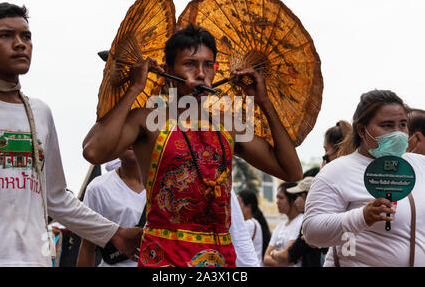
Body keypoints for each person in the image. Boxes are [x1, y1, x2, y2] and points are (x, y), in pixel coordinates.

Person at [83, 24, 303, 266]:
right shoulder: (148, 121)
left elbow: (291, 171)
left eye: (208, 65)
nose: (201, 73)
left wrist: (264, 101)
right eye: (190, 64)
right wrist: (136, 88)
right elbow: (93, 151)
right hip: (164, 259)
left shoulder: (227, 126)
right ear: (168, 70)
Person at [0, 2, 142, 266]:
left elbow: (55, 197)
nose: (20, 44)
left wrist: (114, 232)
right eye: (5, 35)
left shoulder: (40, 113)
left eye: (26, 36)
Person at [303, 89, 425, 266]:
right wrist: (362, 217)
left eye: (403, 124)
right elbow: (312, 233)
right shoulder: (336, 171)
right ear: (362, 130)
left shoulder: (420, 166)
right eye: (387, 125)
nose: (398, 133)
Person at [77, 149, 146, 267]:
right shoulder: (98, 188)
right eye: (125, 137)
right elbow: (88, 247)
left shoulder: (167, 185)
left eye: (137, 136)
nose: (131, 142)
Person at [285, 167, 327, 267]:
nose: (295, 201)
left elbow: (292, 253)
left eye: (298, 196)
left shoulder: (314, 219)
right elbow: (292, 253)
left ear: (306, 196)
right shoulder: (312, 217)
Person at [263, 182, 303, 267]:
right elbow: (266, 258)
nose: (277, 202)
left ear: (292, 200)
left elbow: (286, 255)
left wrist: (273, 253)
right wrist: (281, 261)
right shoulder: (279, 226)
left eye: (281, 198)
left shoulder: (301, 221)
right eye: (277, 198)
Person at [237, 188, 271, 265]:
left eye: (238, 203)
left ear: (248, 206)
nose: (235, 207)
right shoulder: (253, 223)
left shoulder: (250, 224)